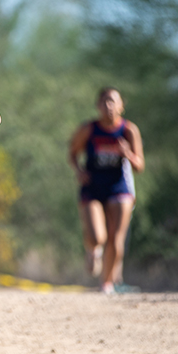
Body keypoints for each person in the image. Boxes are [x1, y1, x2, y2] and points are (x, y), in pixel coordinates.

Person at [68, 87, 144, 294]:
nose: (108, 106)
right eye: (104, 102)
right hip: (92, 186)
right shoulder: (89, 129)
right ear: (97, 106)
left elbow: (139, 166)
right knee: (97, 235)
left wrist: (127, 153)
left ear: (122, 106)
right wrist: (79, 170)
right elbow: (72, 151)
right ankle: (93, 249)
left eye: (113, 101)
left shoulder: (129, 131)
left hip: (120, 187)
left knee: (116, 238)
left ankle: (107, 283)